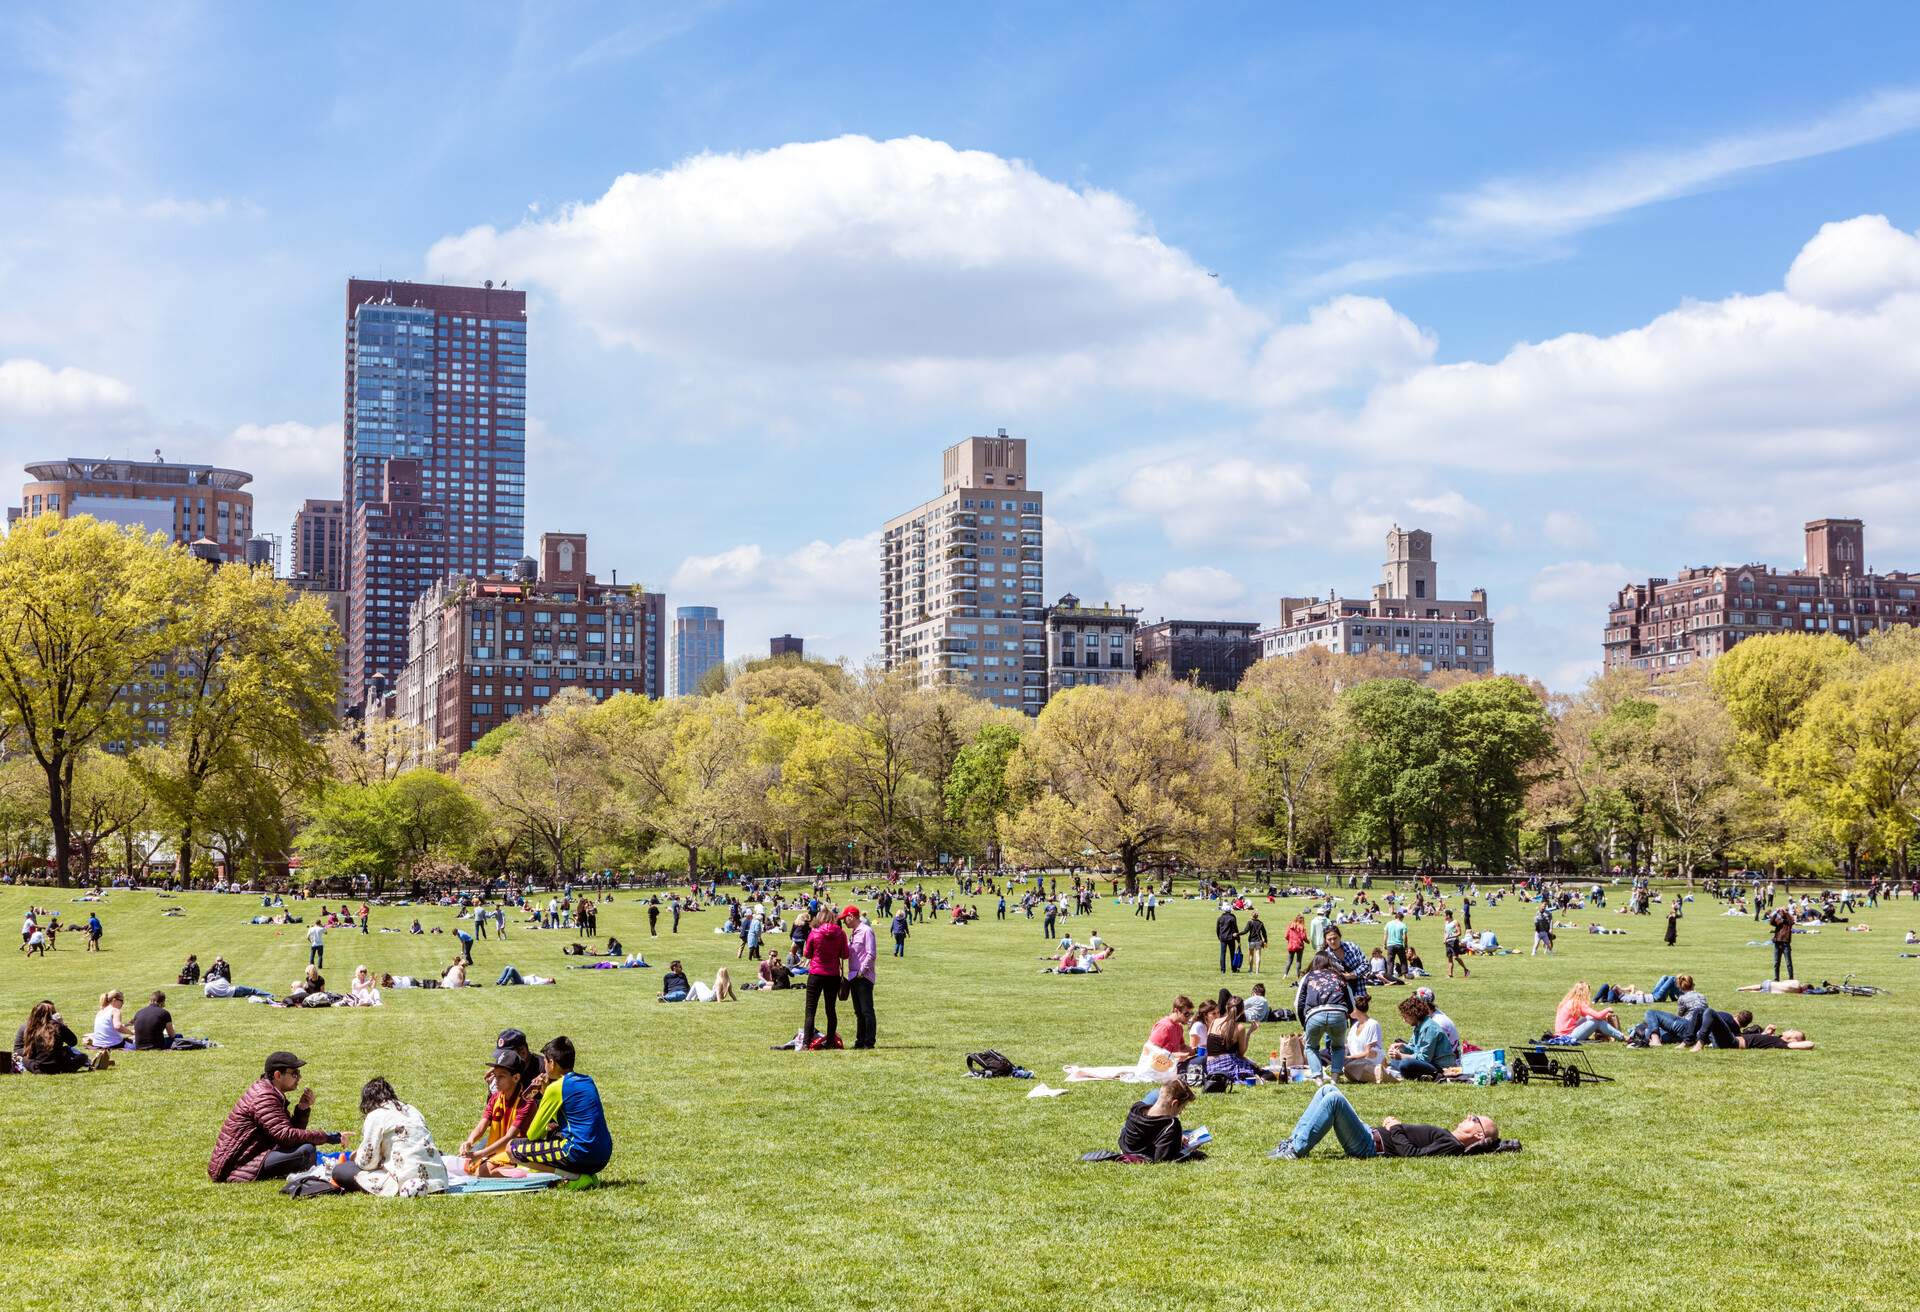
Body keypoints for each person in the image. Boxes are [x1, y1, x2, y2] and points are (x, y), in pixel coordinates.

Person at [208, 1051, 349, 1182]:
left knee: (305, 1148)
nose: (299, 1077)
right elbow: (286, 1136)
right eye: (294, 1073)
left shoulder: (270, 1092)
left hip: (252, 1156)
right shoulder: (264, 1097)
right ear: (277, 1075)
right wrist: (330, 1137)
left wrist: (302, 1108)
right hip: (234, 1167)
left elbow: (287, 1137)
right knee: (306, 1150)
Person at [1269, 1084, 1506, 1159]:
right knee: (1327, 1089)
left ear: (1478, 1135)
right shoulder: (1450, 1138)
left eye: (1474, 1119)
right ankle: (1292, 1142)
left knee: (1334, 1100)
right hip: (1369, 1134)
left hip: (1369, 1146)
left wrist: (1395, 1128)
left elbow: (1413, 1155)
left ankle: (1297, 1149)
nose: (1467, 1116)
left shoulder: (1452, 1145)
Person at [507, 1036, 613, 1187]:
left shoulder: (556, 1088)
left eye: (545, 1061)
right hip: (603, 1154)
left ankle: (574, 1177)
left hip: (579, 1153)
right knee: (554, 1135)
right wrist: (545, 1092)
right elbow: (570, 1117)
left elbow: (533, 1134)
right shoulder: (588, 1080)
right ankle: (587, 1175)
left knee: (512, 1148)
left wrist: (545, 1093)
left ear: (552, 1063)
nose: (543, 1065)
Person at [329, 1077, 447, 1196]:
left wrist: (356, 1156)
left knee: (341, 1170)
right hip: (438, 1181)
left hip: (404, 1182)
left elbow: (367, 1163)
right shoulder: (412, 1110)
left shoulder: (376, 1115)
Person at [459, 1048, 544, 1177]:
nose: (496, 1081)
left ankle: (524, 1172)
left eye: (501, 1076)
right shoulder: (496, 1097)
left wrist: (480, 1154)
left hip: (517, 1150)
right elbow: (482, 1125)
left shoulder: (526, 1102)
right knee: (465, 1165)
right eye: (495, 1075)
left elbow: (509, 1137)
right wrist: (469, 1142)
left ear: (516, 1078)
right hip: (497, 1148)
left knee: (481, 1172)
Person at [1294, 952, 1353, 1083]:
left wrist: (1304, 1023)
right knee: (1338, 1047)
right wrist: (1346, 1015)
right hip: (1338, 1013)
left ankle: (1318, 1078)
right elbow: (1351, 1002)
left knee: (1311, 1047)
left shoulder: (1308, 976)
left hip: (1314, 1014)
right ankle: (1335, 1078)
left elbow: (1298, 1002)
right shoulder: (1339, 976)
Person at [1116, 1080, 1201, 1162]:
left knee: (1186, 1134)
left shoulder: (1137, 1107)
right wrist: (1192, 1153)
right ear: (1174, 1104)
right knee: (1192, 1135)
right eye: (1182, 1108)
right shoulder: (1171, 1125)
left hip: (1126, 1148)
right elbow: (1163, 1159)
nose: (1181, 1112)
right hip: (1143, 1155)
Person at [802, 904, 850, 1048]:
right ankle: (830, 1042)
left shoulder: (814, 933)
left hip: (816, 973)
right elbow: (845, 955)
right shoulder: (841, 933)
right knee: (831, 1009)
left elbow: (807, 954)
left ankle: (806, 1042)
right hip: (833, 975)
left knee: (810, 1010)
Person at [17, 1000, 107, 1073]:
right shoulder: (57, 1026)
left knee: (25, 1059)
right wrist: (62, 1025)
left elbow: (29, 1053)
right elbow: (73, 1042)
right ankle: (90, 1062)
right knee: (83, 1056)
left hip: (39, 1068)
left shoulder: (31, 1028)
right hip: (60, 1067)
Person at [1388, 995, 1457, 1080]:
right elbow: (1414, 1048)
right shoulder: (1419, 1025)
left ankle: (1430, 1076)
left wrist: (1401, 1056)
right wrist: (1402, 1046)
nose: (1404, 1020)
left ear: (1414, 1014)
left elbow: (1424, 1058)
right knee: (1396, 1060)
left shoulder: (1429, 1028)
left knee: (1405, 1063)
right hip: (1430, 1062)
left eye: (1405, 1017)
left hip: (1441, 1067)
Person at [846, 906, 878, 1050]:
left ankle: (869, 1041)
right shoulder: (853, 933)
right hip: (853, 976)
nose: (844, 922)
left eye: (845, 918)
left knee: (866, 1010)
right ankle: (860, 1040)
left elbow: (871, 954)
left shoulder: (866, 931)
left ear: (851, 916)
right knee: (858, 1011)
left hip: (863, 976)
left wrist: (862, 971)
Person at [1554, 981, 1628, 1042]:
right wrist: (1607, 1009)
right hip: (1568, 1036)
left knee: (1590, 1018)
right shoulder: (1579, 1003)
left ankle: (1608, 1035)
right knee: (1596, 1021)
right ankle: (1621, 1037)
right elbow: (1598, 1016)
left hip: (1560, 1035)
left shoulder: (1569, 1001)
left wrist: (1602, 1015)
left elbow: (1591, 1015)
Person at [1343, 994, 1385, 1082]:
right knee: (1348, 1068)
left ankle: (1380, 1073)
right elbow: (1351, 1046)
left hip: (1371, 1061)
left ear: (1356, 1010)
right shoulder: (1354, 1026)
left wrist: (1349, 1058)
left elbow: (1368, 1052)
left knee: (1351, 1068)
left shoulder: (1372, 1024)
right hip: (1356, 1061)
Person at [1767, 905, 1795, 980]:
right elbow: (1771, 922)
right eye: (1781, 912)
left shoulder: (1788, 922)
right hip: (1777, 943)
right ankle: (1776, 978)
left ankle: (1791, 978)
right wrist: (1776, 912)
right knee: (1776, 963)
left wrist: (1786, 912)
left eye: (1782, 911)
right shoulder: (1778, 920)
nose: (1781, 912)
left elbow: (1792, 921)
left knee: (1788, 963)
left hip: (1786, 944)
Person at [1215, 904, 1241, 974]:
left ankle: (1223, 970)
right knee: (1232, 954)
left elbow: (1217, 929)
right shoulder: (1232, 918)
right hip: (1231, 938)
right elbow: (1235, 929)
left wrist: (1219, 937)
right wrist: (1238, 939)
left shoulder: (1220, 918)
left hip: (1223, 938)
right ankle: (1234, 969)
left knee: (1222, 954)